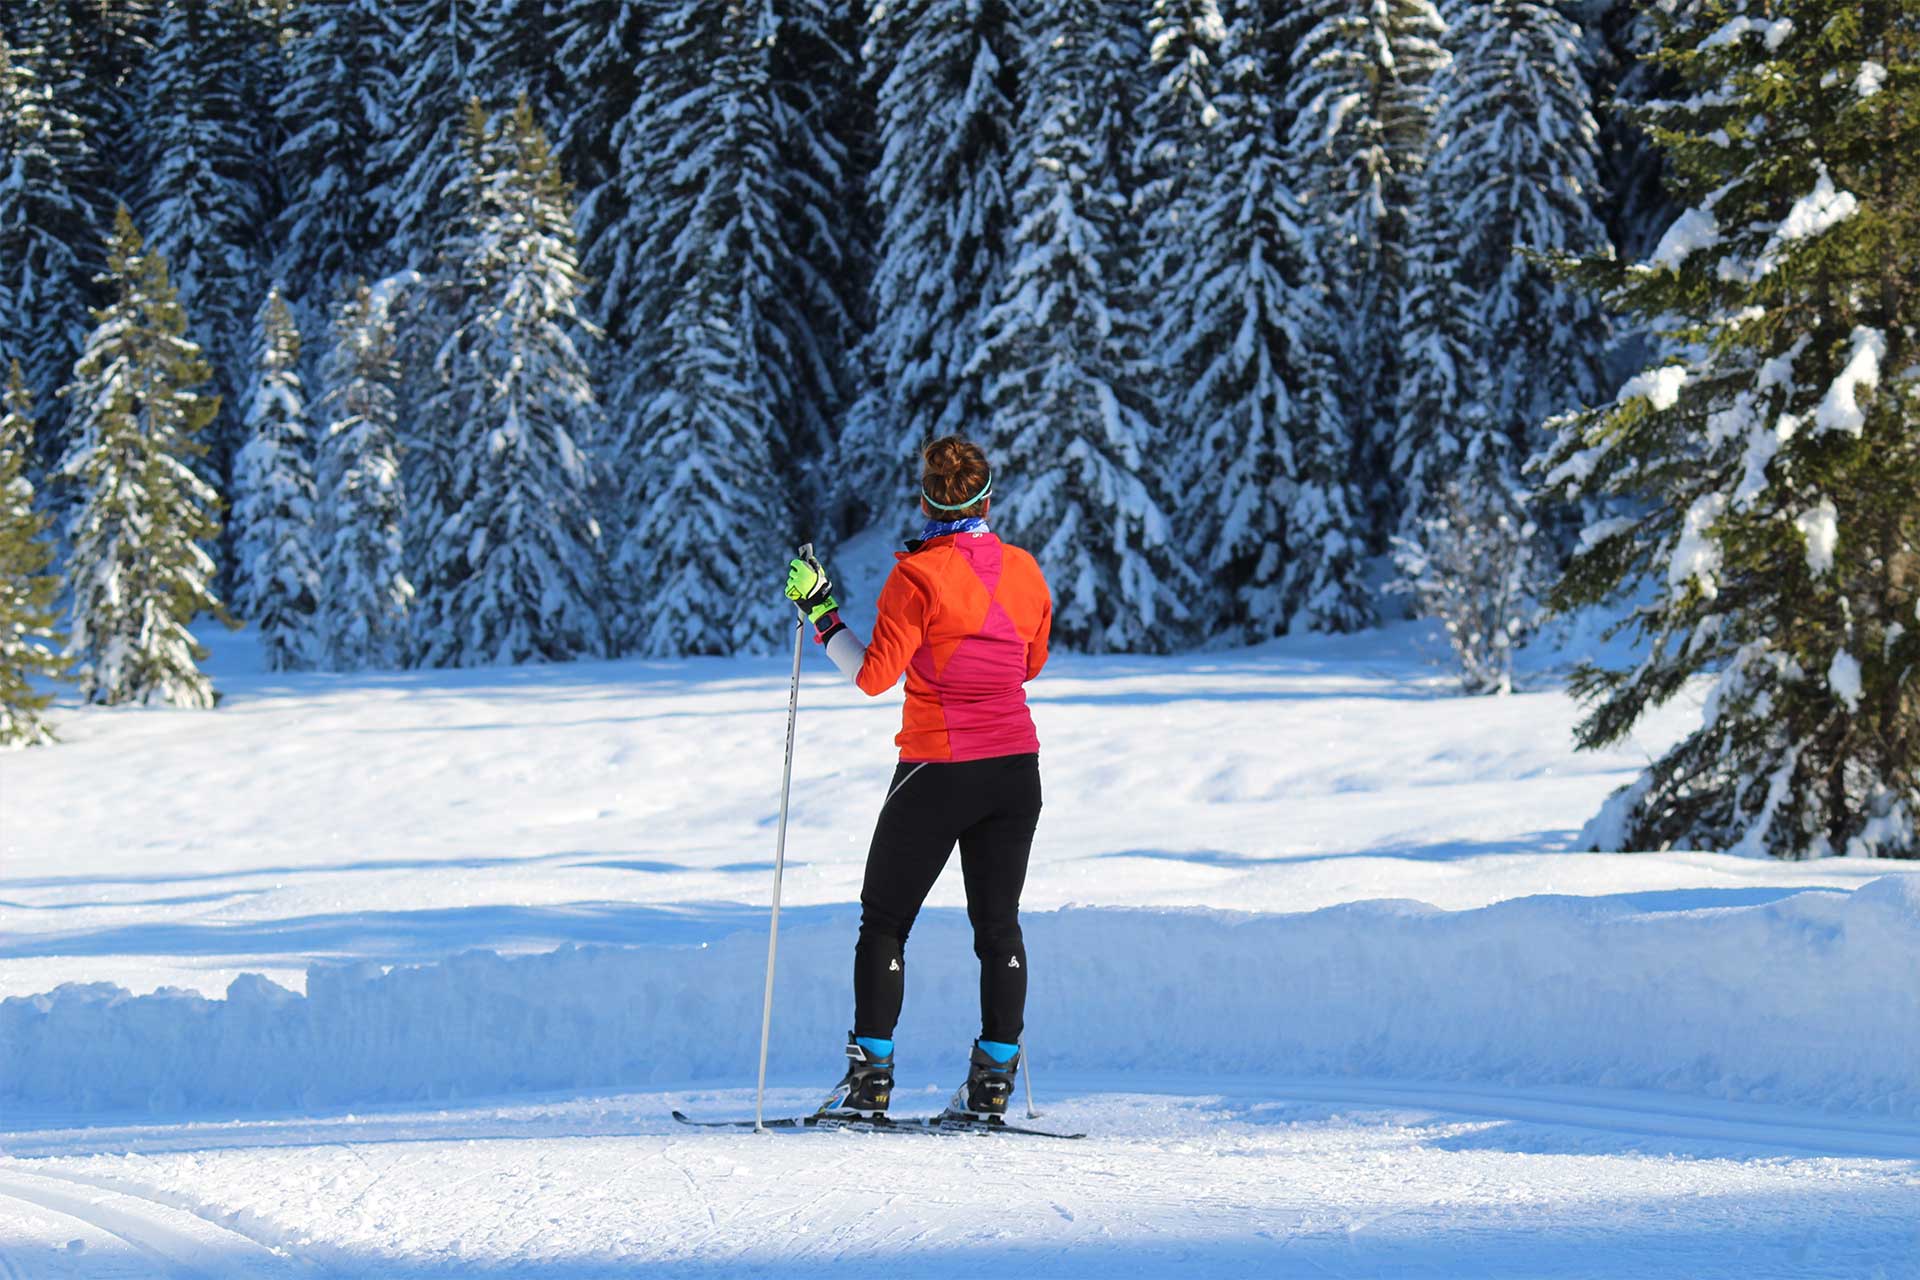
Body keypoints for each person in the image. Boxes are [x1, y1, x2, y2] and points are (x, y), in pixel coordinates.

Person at [782, 437, 1052, 1122]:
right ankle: (991, 1086)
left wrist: (821, 614)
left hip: (938, 767)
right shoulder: (1025, 571)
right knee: (998, 928)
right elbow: (1029, 665)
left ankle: (869, 1085)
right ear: (987, 500)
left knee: (885, 921)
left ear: (927, 501)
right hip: (1016, 770)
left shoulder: (918, 576)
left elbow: (873, 676)